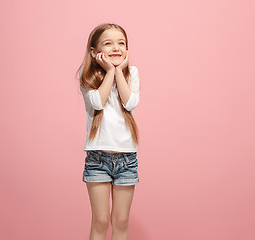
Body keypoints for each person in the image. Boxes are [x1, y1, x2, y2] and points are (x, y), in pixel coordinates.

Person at [76, 23, 140, 240]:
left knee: (121, 220)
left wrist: (119, 72)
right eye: (108, 43)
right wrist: (111, 71)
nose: (116, 48)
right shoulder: (88, 76)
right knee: (101, 220)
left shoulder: (132, 73)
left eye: (121, 43)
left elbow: (130, 102)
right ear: (94, 52)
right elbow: (98, 103)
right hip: (97, 158)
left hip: (126, 158)